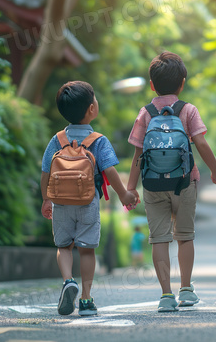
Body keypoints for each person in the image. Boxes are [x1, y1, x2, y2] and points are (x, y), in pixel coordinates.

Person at [127, 51, 216, 312]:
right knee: (185, 236)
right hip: (184, 183)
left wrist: (129, 188)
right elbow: (200, 143)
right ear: (183, 83)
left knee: (159, 239)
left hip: (152, 184)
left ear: (151, 84)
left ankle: (166, 294)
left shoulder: (145, 113)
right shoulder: (188, 110)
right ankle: (186, 289)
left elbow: (138, 153)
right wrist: (215, 170)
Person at [41, 81, 139, 317]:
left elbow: (46, 172)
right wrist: (124, 194)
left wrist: (46, 200)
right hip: (88, 203)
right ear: (92, 110)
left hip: (61, 203)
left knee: (63, 246)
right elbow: (109, 171)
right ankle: (85, 299)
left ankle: (67, 282)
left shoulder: (56, 140)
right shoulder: (98, 140)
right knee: (87, 250)